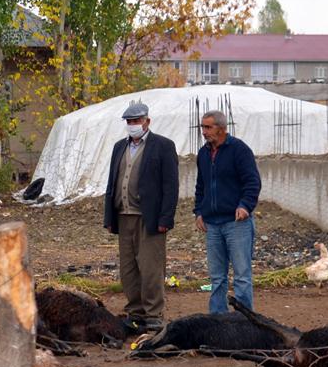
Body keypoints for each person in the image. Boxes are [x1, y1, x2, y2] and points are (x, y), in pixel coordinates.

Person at [103, 101, 179, 333]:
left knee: (151, 267)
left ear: (147, 121)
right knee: (128, 269)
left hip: (149, 217)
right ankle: (135, 313)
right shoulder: (119, 147)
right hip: (123, 215)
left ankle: (154, 314)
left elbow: (170, 185)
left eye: (136, 121)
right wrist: (109, 216)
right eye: (129, 122)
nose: (132, 125)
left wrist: (166, 218)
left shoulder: (163, 146)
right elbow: (112, 183)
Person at [193, 109, 261, 313]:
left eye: (208, 127)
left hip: (236, 223)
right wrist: (198, 211)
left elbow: (252, 182)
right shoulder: (204, 154)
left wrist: (245, 205)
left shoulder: (239, 150)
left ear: (222, 129)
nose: (204, 132)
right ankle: (218, 321)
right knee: (217, 278)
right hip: (212, 224)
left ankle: (245, 322)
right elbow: (201, 186)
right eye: (202, 127)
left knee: (241, 276)